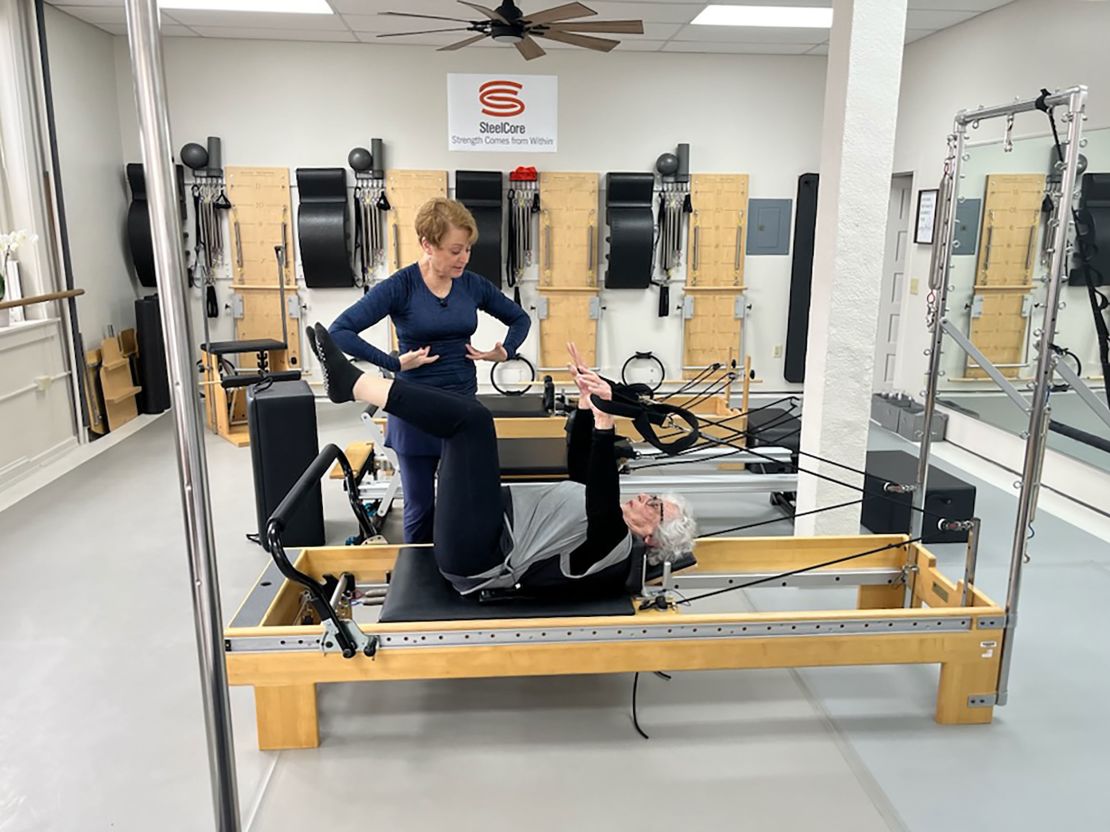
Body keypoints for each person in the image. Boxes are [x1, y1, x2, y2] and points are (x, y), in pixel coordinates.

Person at [308, 324, 697, 597]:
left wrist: (605, 424)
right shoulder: (606, 521)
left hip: (479, 555)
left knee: (472, 422)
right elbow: (582, 468)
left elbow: (600, 497)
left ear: (651, 537)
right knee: (469, 422)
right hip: (487, 522)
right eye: (654, 496)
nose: (645, 497)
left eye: (656, 506)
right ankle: (352, 383)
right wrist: (584, 405)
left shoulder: (616, 547)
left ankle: (351, 384)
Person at [328, 197, 530, 544]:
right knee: (420, 509)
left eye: (467, 249)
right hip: (414, 412)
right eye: (455, 251)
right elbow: (339, 331)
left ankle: (463, 568)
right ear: (427, 245)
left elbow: (519, 318)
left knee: (468, 505)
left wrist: (504, 351)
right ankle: (419, 576)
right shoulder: (401, 286)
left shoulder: (472, 284)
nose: (464, 258)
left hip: (461, 411)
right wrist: (393, 362)